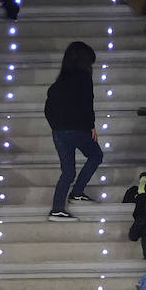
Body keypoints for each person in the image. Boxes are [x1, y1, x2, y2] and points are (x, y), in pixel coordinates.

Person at [42, 41, 102, 222]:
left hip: (59, 132)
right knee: (96, 155)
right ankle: (76, 193)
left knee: (67, 171)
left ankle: (57, 208)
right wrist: (91, 125)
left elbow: (48, 109)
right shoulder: (84, 78)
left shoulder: (58, 83)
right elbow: (87, 104)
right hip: (77, 129)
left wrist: (56, 126)